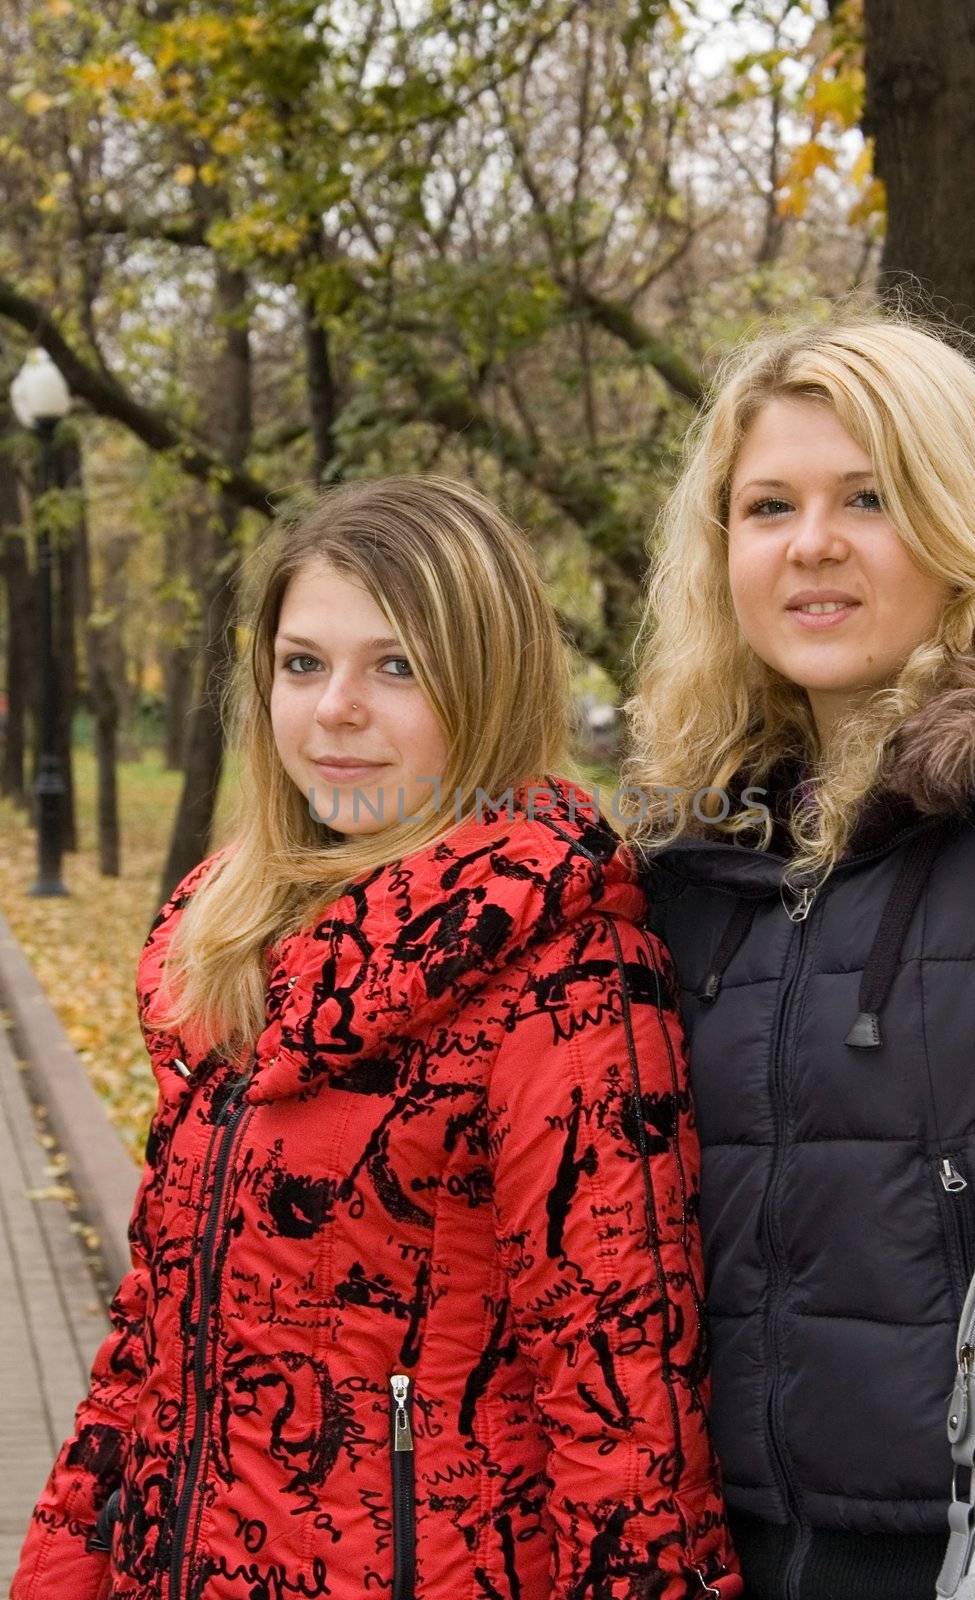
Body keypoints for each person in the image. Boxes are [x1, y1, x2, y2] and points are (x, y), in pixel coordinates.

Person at [12, 476, 741, 1600]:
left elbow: (625, 1426)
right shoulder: (234, 943)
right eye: (303, 663)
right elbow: (151, 1340)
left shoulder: (564, 973)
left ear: (484, 681)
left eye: (394, 665)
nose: (334, 708)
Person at [622, 317, 975, 1600]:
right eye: (768, 505)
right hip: (727, 1552)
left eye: (867, 497)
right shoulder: (693, 858)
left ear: (958, 517)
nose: (811, 542)